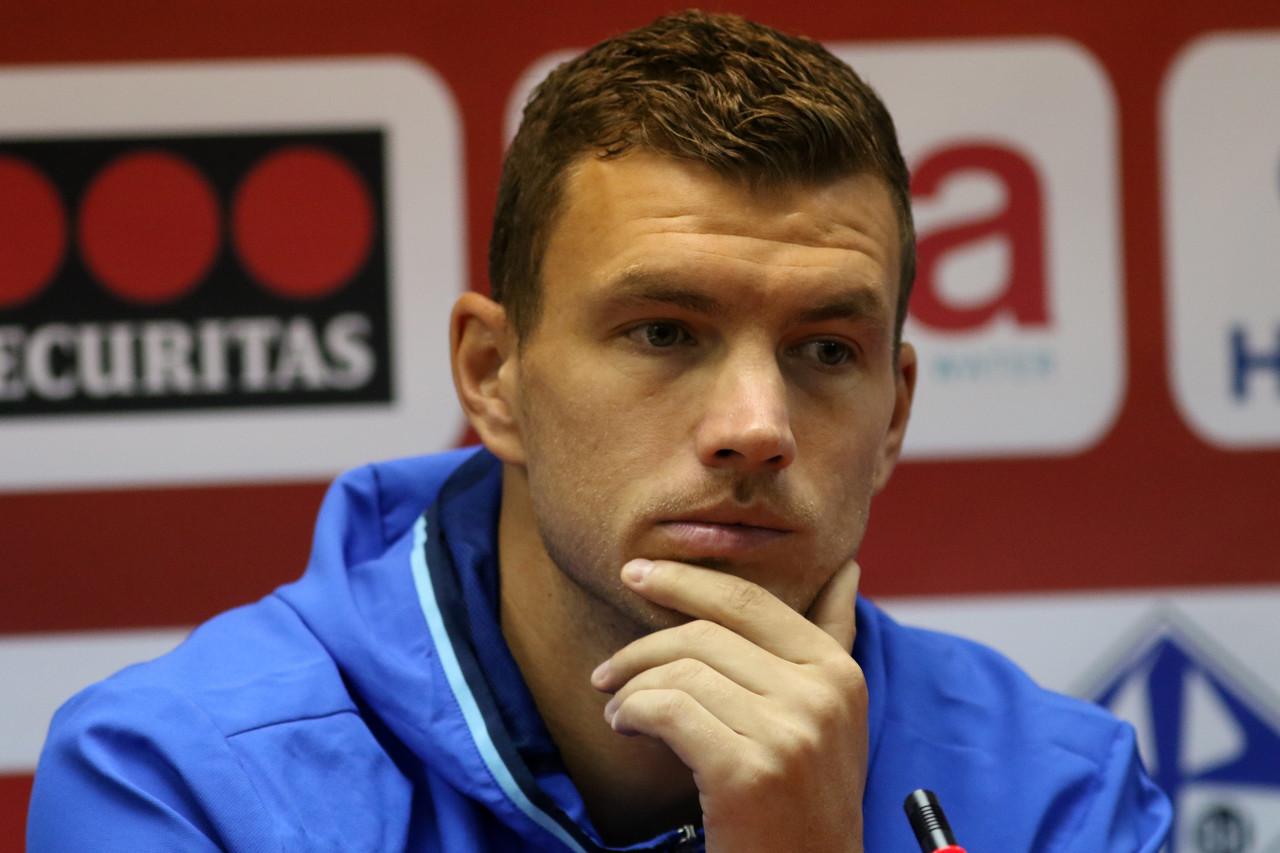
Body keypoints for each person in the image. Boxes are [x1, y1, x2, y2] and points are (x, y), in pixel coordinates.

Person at [28, 10, 1171, 851]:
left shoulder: (1060, 797)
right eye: (662, 332)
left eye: (826, 350)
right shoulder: (183, 781)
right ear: (492, 378)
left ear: (893, 417)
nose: (754, 428)